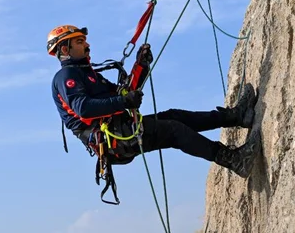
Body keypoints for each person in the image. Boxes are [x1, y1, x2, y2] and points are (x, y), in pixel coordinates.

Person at [47, 24, 262, 180]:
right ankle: (234, 160)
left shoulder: (89, 74)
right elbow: (84, 109)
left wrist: (141, 66)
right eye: (80, 41)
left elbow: (125, 93)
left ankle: (236, 116)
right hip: (114, 140)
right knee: (174, 131)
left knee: (175, 116)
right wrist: (123, 102)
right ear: (64, 49)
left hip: (120, 131)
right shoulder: (66, 77)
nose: (87, 45)